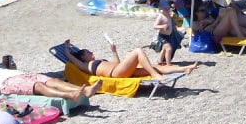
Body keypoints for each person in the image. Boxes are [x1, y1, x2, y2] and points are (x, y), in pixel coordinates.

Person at [0, 43, 99, 103]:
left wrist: (12, 69)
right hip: (6, 84)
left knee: (54, 81)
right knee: (39, 86)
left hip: (19, 77)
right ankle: (71, 95)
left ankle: (85, 90)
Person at [65, 40, 197, 79]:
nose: (92, 52)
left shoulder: (97, 61)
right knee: (138, 51)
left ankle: (184, 68)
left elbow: (116, 63)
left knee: (154, 66)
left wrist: (114, 51)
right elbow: (70, 57)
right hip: (116, 73)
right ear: (83, 57)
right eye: (88, 52)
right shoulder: (85, 65)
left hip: (119, 69)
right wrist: (66, 47)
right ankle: (154, 75)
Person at [153, 0, 184, 65]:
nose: (167, 10)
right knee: (169, 49)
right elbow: (155, 26)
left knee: (164, 49)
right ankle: (168, 63)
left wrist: (175, 23)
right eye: (165, 9)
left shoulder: (169, 15)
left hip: (169, 36)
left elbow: (171, 23)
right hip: (162, 36)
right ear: (161, 9)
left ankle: (160, 60)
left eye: (168, 9)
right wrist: (162, 26)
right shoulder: (161, 16)